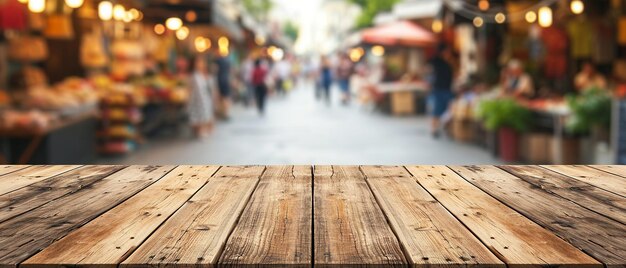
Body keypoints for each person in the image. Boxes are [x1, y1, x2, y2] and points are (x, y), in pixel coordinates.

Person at [426, 45, 455, 138]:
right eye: (447, 51)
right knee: (437, 111)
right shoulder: (436, 61)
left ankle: (446, 128)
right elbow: (428, 67)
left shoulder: (448, 62)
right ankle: (434, 129)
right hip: (438, 89)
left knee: (449, 110)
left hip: (447, 89)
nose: (448, 53)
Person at [187, 56, 215, 138]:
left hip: (205, 98)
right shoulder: (194, 76)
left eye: (201, 62)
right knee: (197, 115)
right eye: (198, 62)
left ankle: (203, 129)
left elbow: (210, 87)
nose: (200, 64)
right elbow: (190, 88)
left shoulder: (205, 74)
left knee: (205, 114)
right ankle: (199, 130)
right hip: (196, 99)